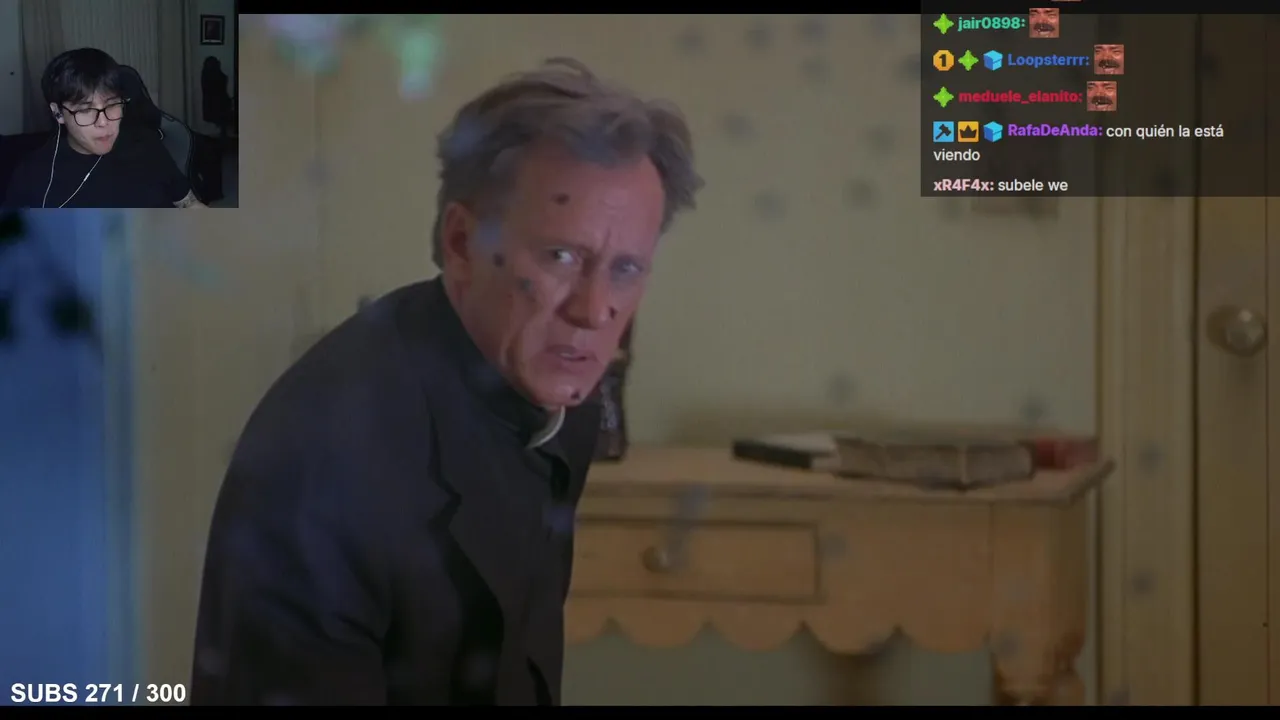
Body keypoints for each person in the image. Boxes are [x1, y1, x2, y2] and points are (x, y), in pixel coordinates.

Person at [189, 58, 703, 705]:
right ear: (461, 243)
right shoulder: (323, 459)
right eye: (561, 256)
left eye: (625, 269)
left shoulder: (555, 379)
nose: (595, 310)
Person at [1, 48, 205, 209]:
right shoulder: (33, 175)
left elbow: (189, 204)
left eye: (112, 104)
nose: (103, 122)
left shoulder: (147, 144)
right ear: (58, 113)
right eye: (86, 109)